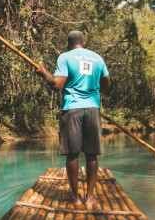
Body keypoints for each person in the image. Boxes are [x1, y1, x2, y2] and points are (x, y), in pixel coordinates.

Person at [35, 30, 111, 206]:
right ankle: (90, 197)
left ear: (68, 44)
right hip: (92, 108)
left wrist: (43, 73)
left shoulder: (65, 57)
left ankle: (76, 198)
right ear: (83, 43)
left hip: (72, 109)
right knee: (92, 155)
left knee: (72, 154)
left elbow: (57, 85)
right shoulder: (97, 58)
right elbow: (107, 82)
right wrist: (93, 92)